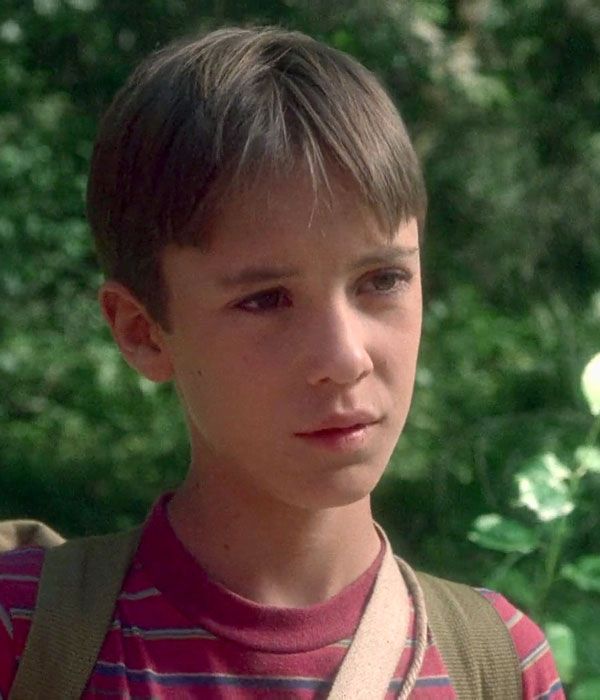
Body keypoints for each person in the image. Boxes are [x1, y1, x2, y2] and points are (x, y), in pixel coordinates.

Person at [0, 26, 564, 698]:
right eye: (266, 300)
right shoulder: (27, 635)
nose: (343, 358)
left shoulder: (497, 665)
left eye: (381, 281)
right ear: (143, 331)